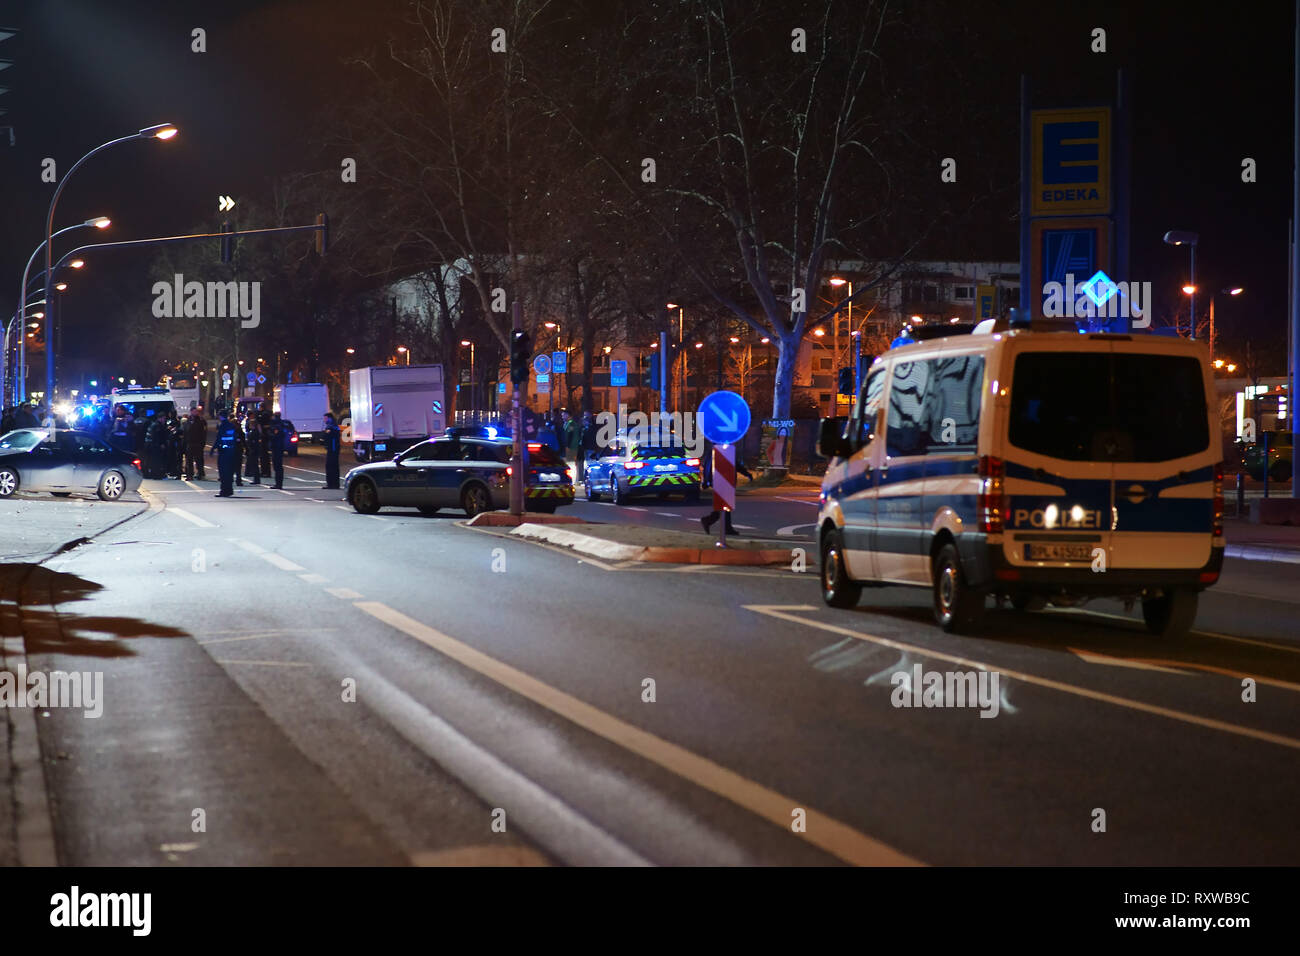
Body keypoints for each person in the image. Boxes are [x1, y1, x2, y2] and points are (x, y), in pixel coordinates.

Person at [208, 410, 240, 497]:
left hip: (223, 451)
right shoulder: (231, 425)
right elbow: (234, 438)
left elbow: (219, 439)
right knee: (229, 472)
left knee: (223, 472)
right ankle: (229, 490)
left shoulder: (222, 426)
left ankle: (224, 491)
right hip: (231, 451)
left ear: (221, 416)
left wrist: (213, 449)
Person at [184, 407, 207, 480]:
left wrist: (202, 443)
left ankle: (200, 474)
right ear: (191, 412)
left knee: (199, 460)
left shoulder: (201, 421)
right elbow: (185, 432)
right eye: (194, 411)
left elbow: (204, 433)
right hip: (189, 443)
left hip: (198, 443)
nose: (195, 413)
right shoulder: (188, 421)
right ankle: (189, 474)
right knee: (189, 460)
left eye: (196, 411)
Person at [322, 411, 341, 489]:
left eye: (325, 418)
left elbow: (328, 436)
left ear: (329, 419)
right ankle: (335, 484)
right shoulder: (334, 426)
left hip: (332, 449)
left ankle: (331, 484)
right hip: (334, 448)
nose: (324, 420)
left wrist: (325, 435)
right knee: (334, 466)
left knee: (330, 466)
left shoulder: (331, 427)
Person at [269, 412, 286, 489]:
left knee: (277, 466)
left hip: (277, 447)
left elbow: (275, 436)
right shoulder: (281, 424)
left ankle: (278, 484)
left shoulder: (276, 425)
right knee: (278, 466)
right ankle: (278, 484)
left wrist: (269, 434)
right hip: (278, 447)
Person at [244, 418, 263, 485]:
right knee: (254, 465)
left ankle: (256, 479)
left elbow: (253, 442)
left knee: (255, 465)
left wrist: (251, 448)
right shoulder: (254, 431)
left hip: (254, 450)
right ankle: (256, 479)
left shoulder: (255, 432)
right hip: (253, 450)